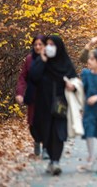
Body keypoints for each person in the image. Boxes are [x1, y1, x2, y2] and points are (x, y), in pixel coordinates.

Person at [30, 35, 77, 176]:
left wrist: (72, 86)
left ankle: (55, 161)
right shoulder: (41, 61)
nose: (49, 47)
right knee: (46, 133)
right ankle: (51, 159)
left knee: (58, 133)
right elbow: (33, 77)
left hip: (60, 104)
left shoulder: (66, 64)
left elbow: (76, 82)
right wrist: (42, 61)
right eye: (47, 44)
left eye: (52, 44)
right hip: (43, 105)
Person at [16, 35, 48, 158]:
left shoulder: (50, 58)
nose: (37, 47)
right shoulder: (29, 59)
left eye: (40, 44)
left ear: (45, 46)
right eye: (35, 45)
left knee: (46, 122)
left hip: (46, 96)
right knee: (32, 123)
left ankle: (45, 147)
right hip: (33, 96)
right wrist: (20, 93)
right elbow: (22, 77)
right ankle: (37, 140)